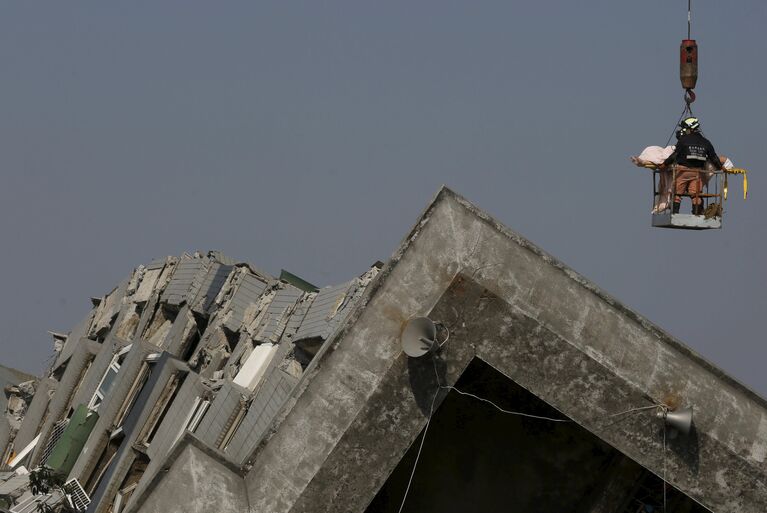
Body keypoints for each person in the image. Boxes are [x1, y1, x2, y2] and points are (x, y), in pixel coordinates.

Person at [661, 117, 723, 215]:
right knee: (696, 195)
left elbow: (675, 155)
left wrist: (664, 164)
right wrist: (721, 168)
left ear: (690, 128)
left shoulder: (684, 140)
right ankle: (697, 214)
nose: (683, 130)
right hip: (698, 173)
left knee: (677, 193)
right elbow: (714, 158)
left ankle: (674, 214)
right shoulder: (706, 142)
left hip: (683, 171)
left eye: (684, 128)